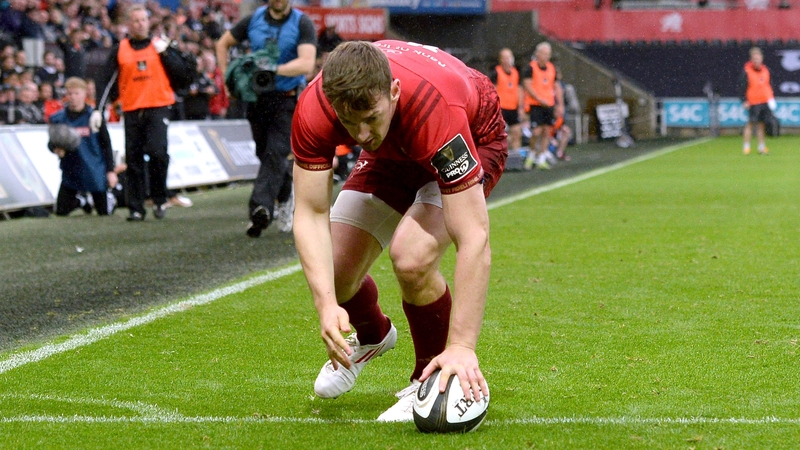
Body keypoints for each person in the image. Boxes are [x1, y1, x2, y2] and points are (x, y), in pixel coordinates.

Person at [291, 40, 507, 422]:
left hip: (469, 136)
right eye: (348, 122)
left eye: (370, 118)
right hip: (393, 151)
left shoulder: (434, 109)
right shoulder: (316, 107)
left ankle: (428, 376)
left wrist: (462, 346)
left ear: (393, 91)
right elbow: (309, 212)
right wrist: (326, 305)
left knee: (411, 258)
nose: (359, 134)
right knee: (336, 272)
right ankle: (373, 334)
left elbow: (473, 237)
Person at [215, 0, 317, 237]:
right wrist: (227, 77)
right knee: (264, 153)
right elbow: (223, 43)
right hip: (257, 98)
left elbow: (307, 63)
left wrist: (273, 69)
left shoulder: (302, 22)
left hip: (287, 98)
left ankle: (260, 208)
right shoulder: (254, 19)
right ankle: (285, 194)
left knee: (275, 152)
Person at [96, 4, 192, 221]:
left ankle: (159, 199)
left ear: (149, 23)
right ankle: (136, 207)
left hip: (159, 106)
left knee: (158, 153)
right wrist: (99, 108)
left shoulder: (160, 46)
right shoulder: (120, 49)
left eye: (143, 20)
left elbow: (183, 74)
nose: (140, 24)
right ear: (129, 25)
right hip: (131, 109)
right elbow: (105, 79)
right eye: (135, 20)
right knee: (134, 159)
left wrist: (167, 53)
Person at [49, 77, 117, 216]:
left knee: (104, 212)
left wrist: (110, 171)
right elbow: (51, 142)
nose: (73, 97)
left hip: (94, 171)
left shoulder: (94, 117)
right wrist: (56, 149)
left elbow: (106, 144)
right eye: (70, 93)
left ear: (84, 94)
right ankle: (83, 202)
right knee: (61, 211)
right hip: (71, 171)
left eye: (76, 93)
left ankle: (108, 198)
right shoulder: (59, 118)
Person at [521, 42, 557, 170]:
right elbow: (527, 86)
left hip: (549, 104)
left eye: (548, 54)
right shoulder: (530, 68)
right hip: (536, 104)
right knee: (536, 131)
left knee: (547, 131)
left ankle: (541, 158)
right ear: (538, 54)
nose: (546, 56)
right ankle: (531, 154)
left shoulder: (552, 68)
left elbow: (555, 86)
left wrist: (558, 103)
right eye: (544, 53)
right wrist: (540, 99)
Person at [741, 47, 775, 156]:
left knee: (762, 125)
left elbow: (768, 85)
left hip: (764, 101)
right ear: (751, 59)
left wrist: (771, 98)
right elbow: (741, 87)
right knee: (751, 124)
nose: (756, 60)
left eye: (758, 58)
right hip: (753, 102)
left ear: (761, 58)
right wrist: (744, 100)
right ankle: (746, 147)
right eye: (754, 58)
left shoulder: (766, 70)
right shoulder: (747, 71)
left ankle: (761, 147)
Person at [490, 47, 523, 152]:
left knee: (517, 132)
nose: (508, 60)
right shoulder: (496, 72)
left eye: (509, 57)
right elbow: (492, 90)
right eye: (505, 58)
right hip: (501, 108)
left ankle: (516, 156)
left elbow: (519, 89)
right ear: (501, 59)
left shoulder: (516, 72)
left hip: (513, 107)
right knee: (500, 135)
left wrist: (521, 106)